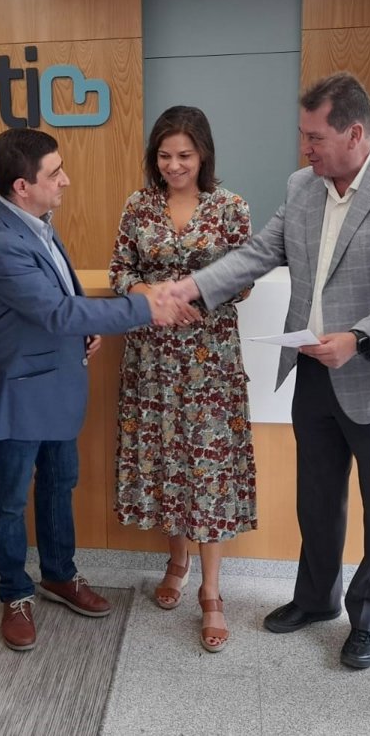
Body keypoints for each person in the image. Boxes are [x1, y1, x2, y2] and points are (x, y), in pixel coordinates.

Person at [163, 71, 370, 669]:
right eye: (303, 134)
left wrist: (359, 338)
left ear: (355, 133)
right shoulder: (303, 186)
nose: (305, 148)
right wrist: (192, 286)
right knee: (317, 498)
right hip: (313, 368)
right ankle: (317, 599)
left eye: (315, 137)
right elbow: (259, 253)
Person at [0, 127, 181, 651]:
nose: (66, 180)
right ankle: (15, 593)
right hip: (17, 393)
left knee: (60, 484)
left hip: (57, 384)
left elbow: (59, 297)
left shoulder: (37, 222)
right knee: (8, 499)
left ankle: (60, 575)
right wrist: (146, 306)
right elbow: (56, 311)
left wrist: (82, 332)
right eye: (55, 173)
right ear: (22, 186)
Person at [110, 106, 256, 653]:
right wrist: (150, 294)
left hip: (208, 358)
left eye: (185, 156)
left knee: (208, 468)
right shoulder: (138, 205)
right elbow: (120, 270)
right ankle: (176, 562)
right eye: (165, 156)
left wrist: (196, 292)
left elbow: (246, 276)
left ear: (203, 155)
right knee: (169, 459)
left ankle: (211, 591)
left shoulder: (231, 207)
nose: (174, 165)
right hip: (152, 356)